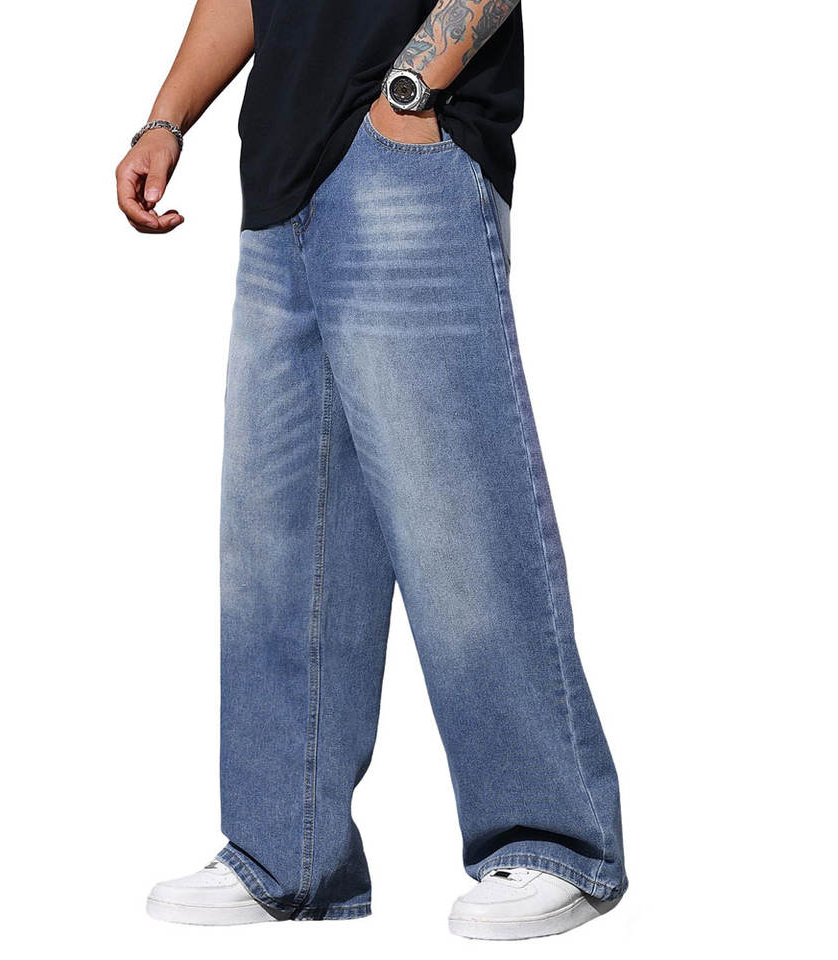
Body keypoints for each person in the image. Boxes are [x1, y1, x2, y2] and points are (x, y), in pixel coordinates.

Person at [116, 0, 627, 940]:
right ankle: (284, 853)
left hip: (407, 152)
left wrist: (412, 89)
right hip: (281, 174)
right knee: (277, 543)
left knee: (456, 519)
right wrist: (166, 119)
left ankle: (555, 841)